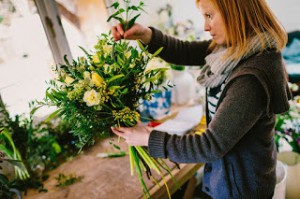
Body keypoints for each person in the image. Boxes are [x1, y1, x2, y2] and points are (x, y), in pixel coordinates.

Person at [110, 0, 292, 198]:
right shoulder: (234, 48)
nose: (205, 26)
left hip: (240, 191)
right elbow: (185, 51)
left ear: (235, 11)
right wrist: (146, 35)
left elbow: (210, 145)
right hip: (228, 179)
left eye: (209, 16)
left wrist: (147, 138)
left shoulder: (252, 77)